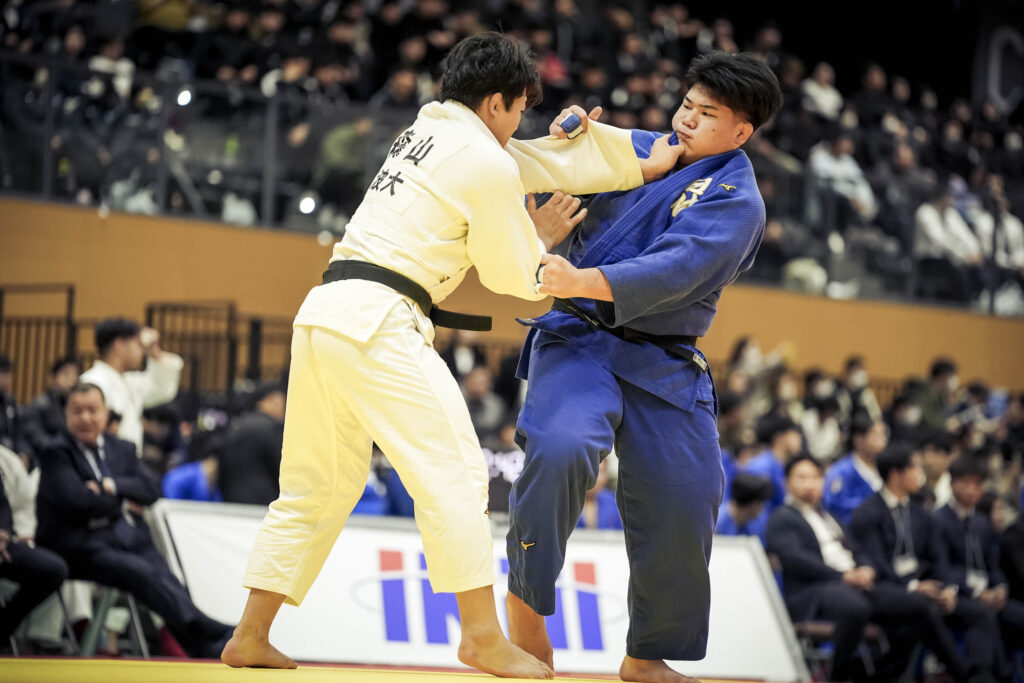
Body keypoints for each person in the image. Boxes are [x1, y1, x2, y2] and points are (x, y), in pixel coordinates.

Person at [222, 32, 681, 678]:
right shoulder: (483, 161)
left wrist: (626, 160)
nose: (519, 122)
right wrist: (539, 238)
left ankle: (250, 633)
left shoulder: (427, 132)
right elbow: (514, 274)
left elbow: (528, 160)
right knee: (460, 472)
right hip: (379, 323)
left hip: (325, 313)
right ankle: (481, 636)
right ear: (495, 103)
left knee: (315, 488)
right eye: (517, 108)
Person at [504, 52, 783, 683]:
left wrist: (583, 278)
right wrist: (564, 138)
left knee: (688, 495)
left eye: (707, 114)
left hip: (665, 359)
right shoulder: (636, 148)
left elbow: (677, 270)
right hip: (581, 340)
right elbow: (542, 165)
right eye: (686, 104)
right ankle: (525, 607)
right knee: (562, 447)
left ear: (742, 131)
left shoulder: (738, 200)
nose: (687, 119)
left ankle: (647, 656)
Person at [35, 383, 233, 658]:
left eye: (92, 410)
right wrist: (119, 501)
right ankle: (211, 632)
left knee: (164, 574)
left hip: (119, 536)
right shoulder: (56, 452)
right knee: (142, 572)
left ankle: (204, 646)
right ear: (66, 414)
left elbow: (151, 490)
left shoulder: (121, 448)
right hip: (74, 545)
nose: (85, 418)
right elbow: (77, 502)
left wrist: (109, 486)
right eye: (77, 411)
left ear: (105, 413)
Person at [766, 455, 968, 683]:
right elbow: (795, 559)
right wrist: (843, 576)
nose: (809, 484)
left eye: (815, 477)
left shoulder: (829, 516)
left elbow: (857, 549)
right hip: (816, 589)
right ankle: (838, 677)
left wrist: (867, 568)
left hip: (855, 585)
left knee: (919, 606)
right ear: (786, 483)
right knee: (856, 608)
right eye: (802, 478)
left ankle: (881, 674)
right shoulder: (782, 517)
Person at [849, 444, 1004, 683]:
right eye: (915, 468)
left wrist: (948, 589)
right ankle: (963, 674)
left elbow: (938, 561)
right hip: (887, 591)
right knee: (923, 609)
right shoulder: (867, 513)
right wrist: (912, 587)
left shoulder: (921, 513)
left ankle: (982, 676)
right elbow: (876, 565)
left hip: (926, 590)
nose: (920, 475)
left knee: (979, 613)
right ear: (896, 474)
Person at [934, 457, 1024, 656]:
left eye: (977, 484)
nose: (971, 490)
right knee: (984, 616)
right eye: (965, 483)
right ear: (952, 483)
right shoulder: (937, 520)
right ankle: (984, 670)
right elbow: (943, 568)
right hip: (959, 594)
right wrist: (977, 592)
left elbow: (993, 564)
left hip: (989, 592)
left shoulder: (982, 522)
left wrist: (1000, 587)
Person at [79, 318, 183, 454]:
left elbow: (162, 390)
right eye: (138, 344)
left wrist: (155, 353)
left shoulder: (128, 381)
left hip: (128, 461)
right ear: (119, 346)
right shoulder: (92, 382)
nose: (142, 352)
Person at [219, 384, 285, 506]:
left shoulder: (238, 425)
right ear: (265, 402)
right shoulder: (272, 427)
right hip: (263, 501)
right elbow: (282, 466)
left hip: (232, 498)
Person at [823, 416, 887, 527]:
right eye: (876, 435)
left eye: (884, 435)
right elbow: (836, 509)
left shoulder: (887, 467)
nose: (882, 440)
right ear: (858, 439)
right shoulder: (840, 472)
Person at [23, 357, 81, 457]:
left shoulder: (74, 405)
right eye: (66, 374)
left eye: (75, 375)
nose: (71, 380)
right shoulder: (40, 404)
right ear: (53, 377)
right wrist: (69, 442)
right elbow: (38, 441)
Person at [715, 472, 772, 544]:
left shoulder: (757, 523)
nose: (763, 508)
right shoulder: (716, 524)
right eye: (762, 503)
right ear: (754, 504)